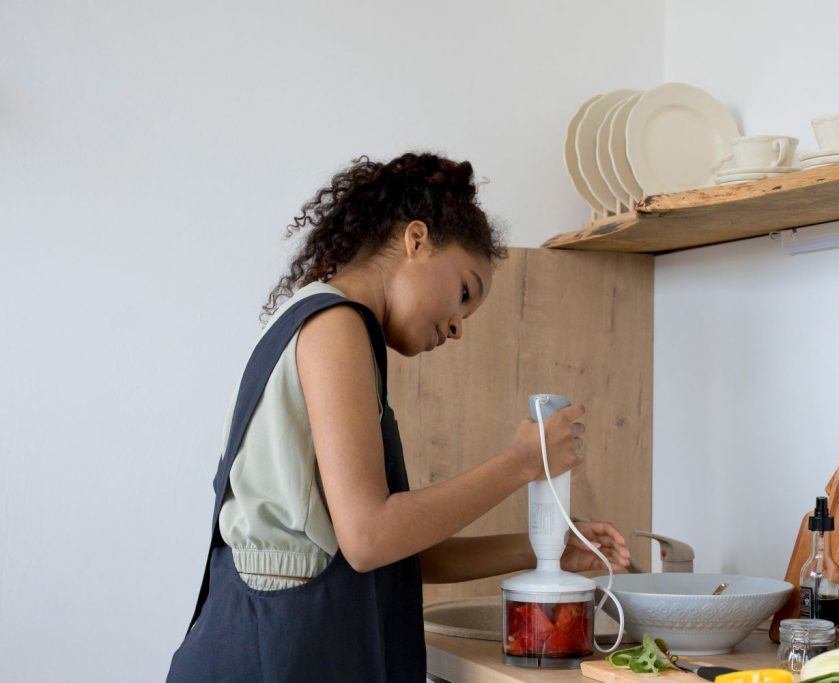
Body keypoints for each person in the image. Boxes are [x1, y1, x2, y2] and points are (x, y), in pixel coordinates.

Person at [167, 152, 631, 681]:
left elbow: (398, 550)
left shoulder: (331, 326)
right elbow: (370, 539)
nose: (457, 327)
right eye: (463, 292)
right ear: (416, 240)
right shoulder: (335, 324)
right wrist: (523, 463)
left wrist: (547, 549)